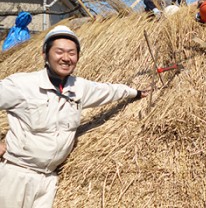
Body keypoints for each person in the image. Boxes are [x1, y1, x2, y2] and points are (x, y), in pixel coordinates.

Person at [0, 25, 151, 208]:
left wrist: (135, 92)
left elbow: (110, 91)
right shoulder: (22, 84)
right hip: (16, 175)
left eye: (72, 53)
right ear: (45, 54)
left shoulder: (79, 87)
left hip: (48, 180)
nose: (66, 58)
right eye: (59, 52)